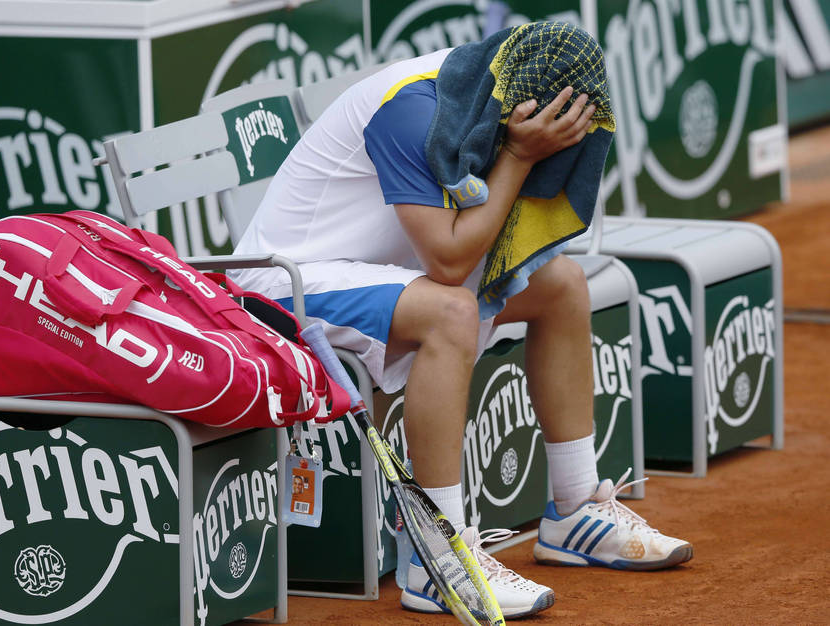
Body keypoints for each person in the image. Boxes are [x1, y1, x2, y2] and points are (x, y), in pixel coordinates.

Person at [232, 22, 692, 619]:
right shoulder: (412, 111)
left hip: (370, 272)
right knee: (452, 312)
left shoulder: (486, 85)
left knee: (561, 286)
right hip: (281, 286)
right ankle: (435, 558)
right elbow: (449, 264)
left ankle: (576, 509)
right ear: (517, 105)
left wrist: (525, 153)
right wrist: (522, 157)